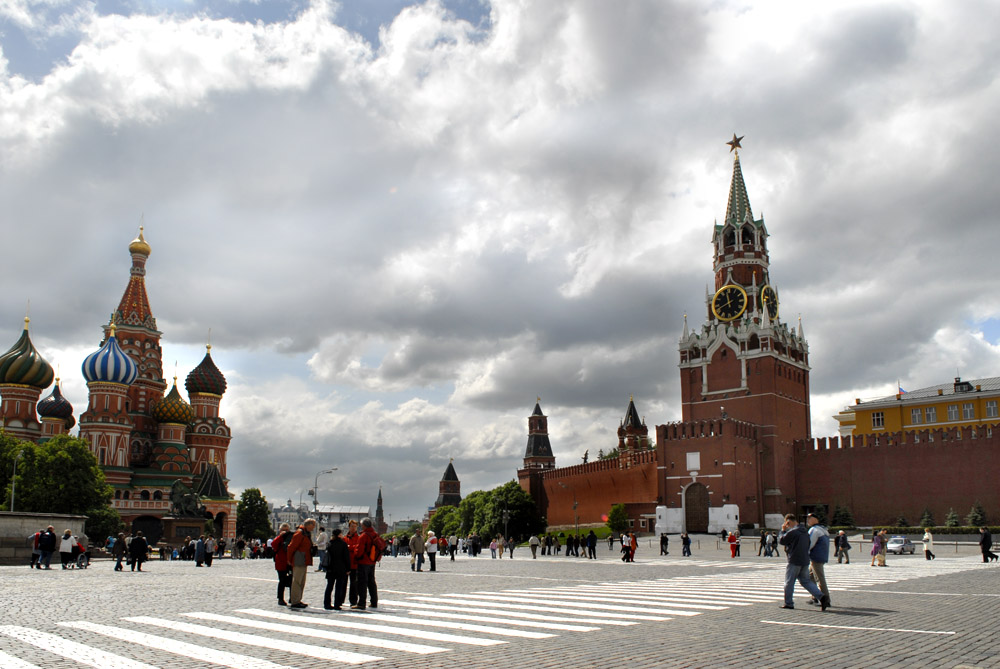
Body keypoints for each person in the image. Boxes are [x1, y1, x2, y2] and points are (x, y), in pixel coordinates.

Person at [778, 514, 828, 611]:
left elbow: (782, 540)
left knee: (789, 582)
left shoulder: (793, 532)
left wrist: (783, 530)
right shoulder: (805, 531)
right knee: (806, 581)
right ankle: (821, 596)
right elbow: (809, 544)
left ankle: (788, 603)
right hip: (805, 560)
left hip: (794, 560)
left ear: (788, 522)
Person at [286, 518, 316, 608]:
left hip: (304, 559)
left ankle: (298, 599)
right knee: (297, 581)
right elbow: (291, 547)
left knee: (302, 581)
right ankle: (295, 601)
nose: (314, 527)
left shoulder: (306, 533)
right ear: (309, 525)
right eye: (313, 525)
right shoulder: (300, 533)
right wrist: (289, 559)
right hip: (299, 559)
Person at [353, 518, 380, 610]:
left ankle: (361, 603)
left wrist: (356, 557)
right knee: (371, 582)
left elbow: (359, 550)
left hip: (363, 561)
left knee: (362, 583)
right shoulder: (375, 534)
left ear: (363, 525)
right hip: (372, 561)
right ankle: (374, 602)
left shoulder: (363, 536)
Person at [806, 513, 831, 608]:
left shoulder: (814, 530)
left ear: (815, 519)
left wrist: (805, 553)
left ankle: (826, 599)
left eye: (810, 518)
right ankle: (815, 596)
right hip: (821, 556)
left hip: (815, 557)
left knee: (820, 579)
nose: (808, 520)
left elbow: (809, 543)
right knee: (810, 576)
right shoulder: (823, 529)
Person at [323, 528, 351, 610]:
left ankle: (327, 604)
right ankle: (337, 604)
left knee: (329, 587)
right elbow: (346, 557)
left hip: (330, 568)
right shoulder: (343, 544)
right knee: (339, 587)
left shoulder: (330, 543)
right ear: (339, 535)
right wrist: (348, 568)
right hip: (340, 568)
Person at [272, 522, 294, 606]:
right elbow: (273, 545)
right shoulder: (279, 538)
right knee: (282, 581)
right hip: (281, 562)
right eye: (283, 530)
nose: (285, 531)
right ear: (280, 530)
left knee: (292, 580)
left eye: (286, 530)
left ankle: (292, 598)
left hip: (290, 562)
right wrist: (281, 536)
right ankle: (280, 598)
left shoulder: (291, 537)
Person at [345, 520, 361, 606]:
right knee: (343, 583)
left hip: (355, 564)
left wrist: (350, 547)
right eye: (352, 526)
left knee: (354, 584)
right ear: (349, 527)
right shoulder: (345, 538)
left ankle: (353, 601)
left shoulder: (358, 538)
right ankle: (340, 600)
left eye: (355, 526)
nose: (353, 528)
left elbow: (357, 549)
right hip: (346, 564)